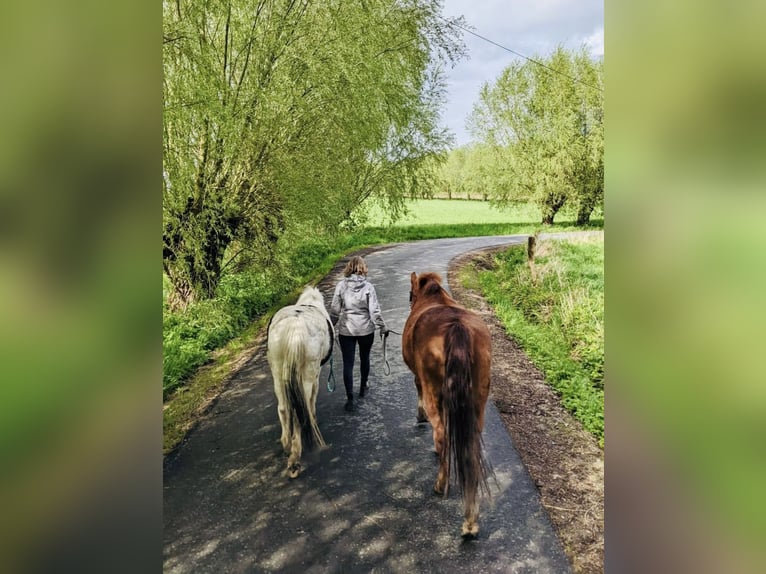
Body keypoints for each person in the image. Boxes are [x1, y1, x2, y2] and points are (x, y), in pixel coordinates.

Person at [330, 256, 389, 412]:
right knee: (365, 358)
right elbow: (374, 311)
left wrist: (330, 327)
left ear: (349, 268)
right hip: (365, 330)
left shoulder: (341, 286)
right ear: (363, 268)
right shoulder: (368, 287)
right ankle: (363, 387)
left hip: (346, 330)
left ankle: (350, 397)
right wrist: (382, 327)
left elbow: (335, 311)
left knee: (348, 363)